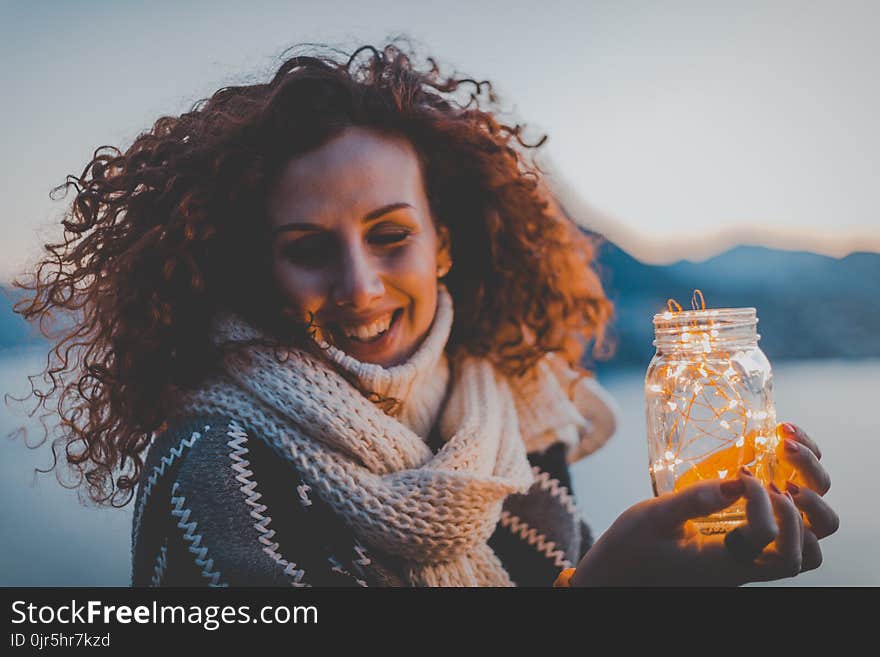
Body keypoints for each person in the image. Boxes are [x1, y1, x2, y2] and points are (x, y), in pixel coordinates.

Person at [13, 43, 837, 587]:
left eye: (392, 235)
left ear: (445, 241)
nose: (361, 286)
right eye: (307, 246)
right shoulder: (213, 466)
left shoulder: (520, 412)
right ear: (254, 266)